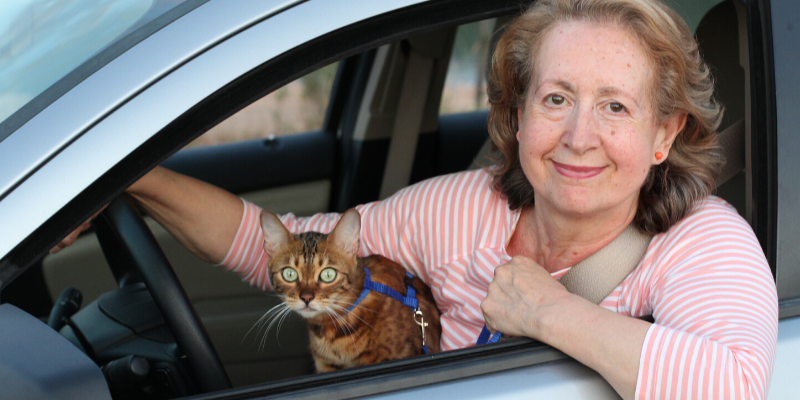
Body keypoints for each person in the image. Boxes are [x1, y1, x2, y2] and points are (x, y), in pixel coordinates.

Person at [53, 0, 778, 398]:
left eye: (616, 106)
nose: (577, 136)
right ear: (518, 114)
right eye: (555, 98)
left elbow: (737, 386)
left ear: (664, 134)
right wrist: (132, 179)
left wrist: (550, 313)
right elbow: (279, 244)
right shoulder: (464, 209)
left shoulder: (703, 243)